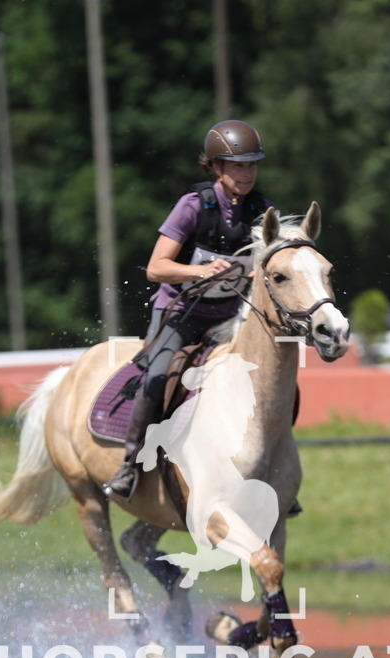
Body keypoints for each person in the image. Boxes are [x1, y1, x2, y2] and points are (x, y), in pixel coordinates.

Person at [104, 119, 273, 501]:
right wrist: (200, 270)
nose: (247, 173)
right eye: (238, 165)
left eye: (252, 165)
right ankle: (129, 464)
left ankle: (273, 467)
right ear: (216, 167)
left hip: (232, 317)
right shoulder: (193, 206)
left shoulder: (264, 210)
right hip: (181, 312)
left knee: (270, 379)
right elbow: (155, 268)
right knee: (160, 373)